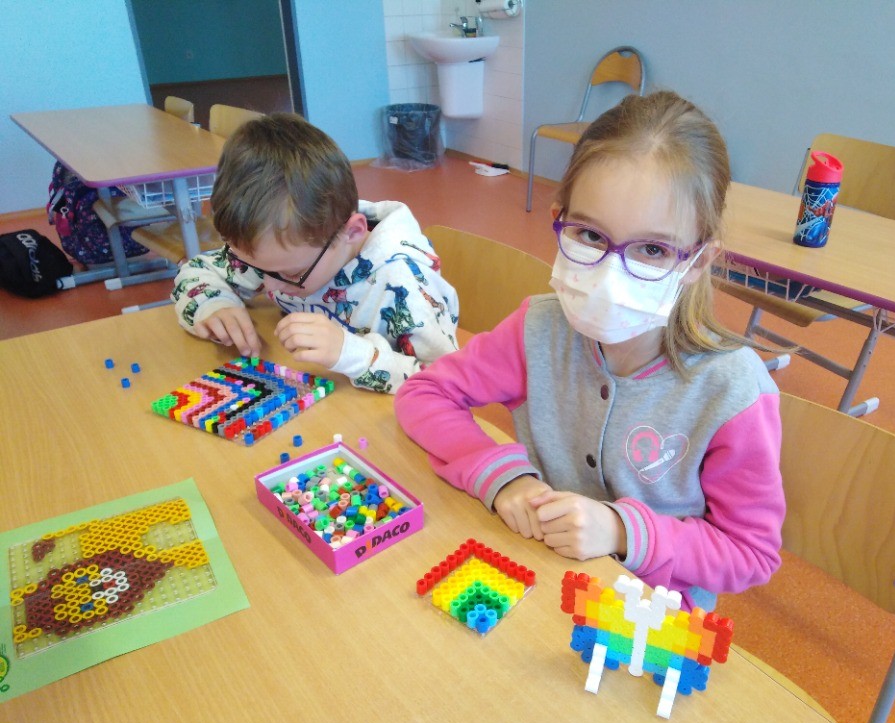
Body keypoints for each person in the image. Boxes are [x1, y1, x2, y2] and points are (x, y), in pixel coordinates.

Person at [394, 91, 784, 610]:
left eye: (652, 249)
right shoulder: (539, 329)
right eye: (590, 235)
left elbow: (750, 553)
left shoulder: (731, 388)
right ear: (560, 219)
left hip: (650, 614)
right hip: (541, 576)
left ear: (697, 261)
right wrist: (504, 478)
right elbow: (424, 394)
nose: (610, 273)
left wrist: (621, 531)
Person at [171, 113, 459, 394]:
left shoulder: (403, 283)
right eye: (257, 269)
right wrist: (215, 305)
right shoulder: (283, 253)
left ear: (352, 232)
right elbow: (198, 270)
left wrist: (352, 353)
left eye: (292, 273)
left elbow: (448, 382)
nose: (268, 286)